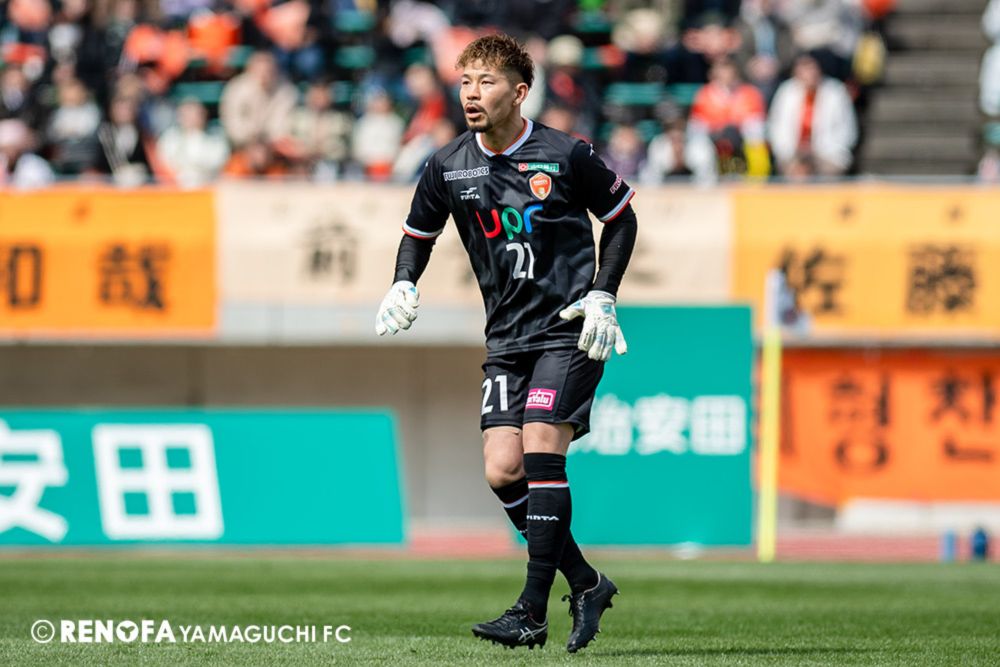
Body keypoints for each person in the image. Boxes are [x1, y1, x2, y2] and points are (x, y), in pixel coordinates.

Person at [375, 34, 637, 653]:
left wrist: (604, 292)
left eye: (486, 83)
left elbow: (621, 218)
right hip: (507, 337)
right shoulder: (447, 166)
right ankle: (586, 582)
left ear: (520, 92)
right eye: (465, 82)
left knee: (543, 448)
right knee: (502, 469)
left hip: (569, 327)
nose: (471, 94)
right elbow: (418, 232)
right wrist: (402, 283)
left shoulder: (566, 154)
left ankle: (531, 610)